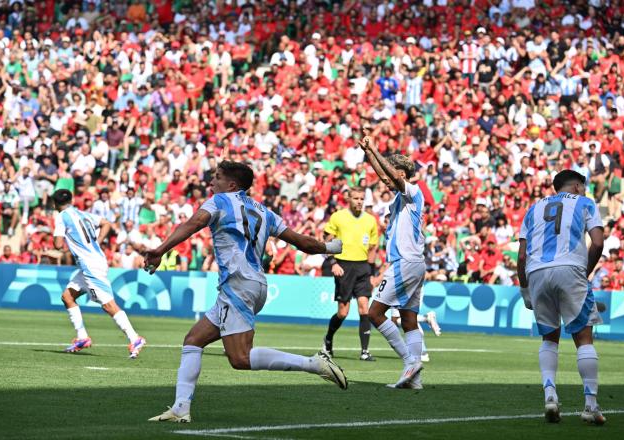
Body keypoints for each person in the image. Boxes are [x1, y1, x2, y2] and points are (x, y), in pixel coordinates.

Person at [145, 160, 347, 423]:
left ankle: (314, 364)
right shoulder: (265, 212)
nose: (211, 182)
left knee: (239, 358)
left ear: (231, 185)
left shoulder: (219, 201)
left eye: (216, 177)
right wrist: (330, 248)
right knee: (193, 340)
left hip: (238, 284)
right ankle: (181, 408)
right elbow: (303, 242)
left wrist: (160, 250)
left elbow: (194, 223)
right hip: (253, 284)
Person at [517, 170, 605, 425]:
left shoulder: (533, 209)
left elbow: (521, 256)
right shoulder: (585, 203)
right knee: (583, 338)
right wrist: (584, 273)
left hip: (536, 273)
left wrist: (525, 289)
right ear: (577, 186)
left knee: (549, 337)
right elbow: (597, 243)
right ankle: (590, 405)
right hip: (570, 269)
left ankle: (550, 396)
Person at [359, 130, 427, 389]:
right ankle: (415, 379)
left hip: (404, 263)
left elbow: (392, 177)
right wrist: (369, 152)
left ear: (400, 175)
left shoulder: (412, 192)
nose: (383, 179)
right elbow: (384, 173)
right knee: (409, 320)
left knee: (374, 313)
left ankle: (410, 362)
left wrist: (375, 149)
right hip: (415, 263)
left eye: (390, 175)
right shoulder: (401, 197)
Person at [52, 189, 146, 358]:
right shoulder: (84, 214)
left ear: (54, 204)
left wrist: (62, 239)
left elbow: (58, 244)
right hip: (92, 262)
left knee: (108, 305)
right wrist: (97, 241)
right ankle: (82, 338)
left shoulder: (61, 216)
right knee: (67, 297)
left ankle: (135, 337)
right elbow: (106, 223)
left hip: (90, 266)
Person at [322, 186, 379, 361]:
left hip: (362, 267)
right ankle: (328, 339)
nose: (359, 201)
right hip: (343, 266)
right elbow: (327, 240)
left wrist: (371, 272)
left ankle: (364, 351)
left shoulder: (370, 220)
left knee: (364, 308)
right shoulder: (338, 217)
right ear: (349, 198)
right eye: (356, 198)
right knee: (343, 313)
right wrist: (333, 262)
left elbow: (372, 247)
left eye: (362, 198)